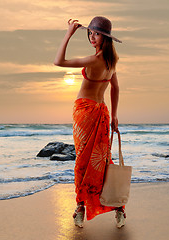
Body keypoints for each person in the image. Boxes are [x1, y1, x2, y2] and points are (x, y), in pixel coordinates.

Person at [54, 16, 126, 228]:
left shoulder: (94, 60)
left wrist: (68, 33)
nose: (91, 37)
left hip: (85, 112)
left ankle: (80, 208)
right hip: (102, 112)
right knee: (102, 161)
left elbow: (58, 61)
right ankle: (119, 208)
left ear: (105, 38)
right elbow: (116, 88)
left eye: (95, 34)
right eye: (90, 33)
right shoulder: (112, 61)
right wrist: (114, 115)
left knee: (84, 162)